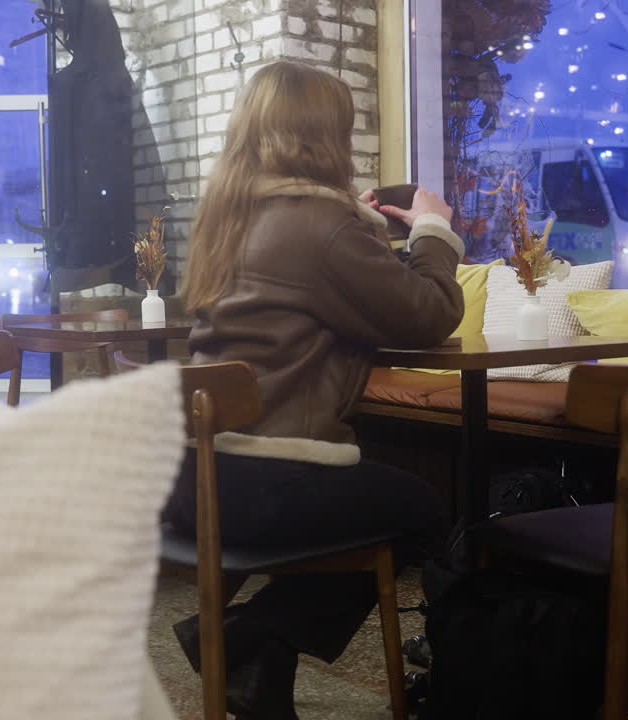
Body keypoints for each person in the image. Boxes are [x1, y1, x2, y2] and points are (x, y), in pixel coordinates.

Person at [165, 60, 465, 720]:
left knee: (385, 500)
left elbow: (317, 289)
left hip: (193, 477)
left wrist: (357, 229)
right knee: (425, 512)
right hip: (264, 486)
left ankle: (259, 660)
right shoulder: (321, 228)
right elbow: (432, 314)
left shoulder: (230, 218)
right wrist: (432, 229)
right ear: (327, 136)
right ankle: (256, 635)